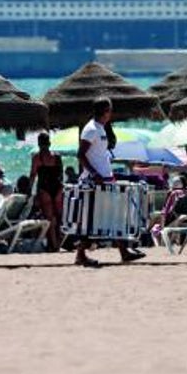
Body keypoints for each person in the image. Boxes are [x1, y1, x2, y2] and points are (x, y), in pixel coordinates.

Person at [74, 98, 144, 267]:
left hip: (105, 179)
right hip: (95, 181)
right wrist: (95, 173)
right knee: (94, 219)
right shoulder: (91, 129)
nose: (111, 114)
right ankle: (80, 255)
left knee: (114, 215)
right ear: (104, 111)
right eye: (109, 110)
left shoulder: (100, 128)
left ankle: (124, 251)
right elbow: (80, 155)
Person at [30, 131, 65, 251]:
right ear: (49, 143)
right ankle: (58, 243)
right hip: (57, 187)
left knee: (50, 219)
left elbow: (33, 175)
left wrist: (29, 192)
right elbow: (61, 175)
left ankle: (54, 245)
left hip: (44, 188)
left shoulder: (37, 157)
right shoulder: (57, 156)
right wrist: (61, 188)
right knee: (59, 217)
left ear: (39, 144)